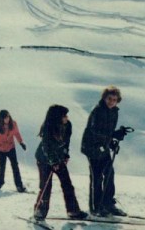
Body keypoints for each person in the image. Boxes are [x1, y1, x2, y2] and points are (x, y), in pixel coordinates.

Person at [34, 105, 87, 221]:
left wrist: (66, 154)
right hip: (44, 160)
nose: (66, 118)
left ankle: (73, 211)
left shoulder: (68, 125)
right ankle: (40, 210)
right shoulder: (48, 128)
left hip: (59, 158)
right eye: (64, 115)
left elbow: (66, 142)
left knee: (67, 184)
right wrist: (53, 162)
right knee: (46, 186)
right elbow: (46, 147)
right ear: (57, 117)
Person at [81, 86, 128, 217]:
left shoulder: (114, 111)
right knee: (96, 177)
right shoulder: (98, 111)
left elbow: (106, 131)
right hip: (92, 147)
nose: (112, 102)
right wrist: (113, 135)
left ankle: (108, 204)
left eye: (114, 99)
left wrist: (111, 142)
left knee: (109, 174)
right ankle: (95, 207)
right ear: (104, 98)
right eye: (109, 98)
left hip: (103, 147)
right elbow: (95, 131)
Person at [0, 109, 27, 192]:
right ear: (1, 118)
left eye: (8, 117)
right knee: (2, 167)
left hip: (11, 148)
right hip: (1, 149)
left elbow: (17, 134)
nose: (7, 119)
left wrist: (21, 143)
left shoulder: (13, 124)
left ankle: (19, 186)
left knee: (15, 166)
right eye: (5, 118)